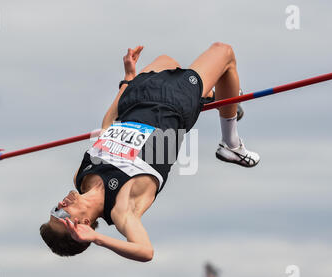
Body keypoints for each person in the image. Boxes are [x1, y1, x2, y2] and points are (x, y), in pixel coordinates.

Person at [40, 43, 260, 262]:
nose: (60, 205)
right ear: (83, 225)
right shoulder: (122, 209)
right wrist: (97, 238)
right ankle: (230, 144)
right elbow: (145, 251)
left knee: (167, 60)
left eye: (54, 209)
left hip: (134, 100)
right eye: (61, 214)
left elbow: (108, 124)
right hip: (172, 105)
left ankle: (218, 97)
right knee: (224, 53)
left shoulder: (81, 176)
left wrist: (127, 79)